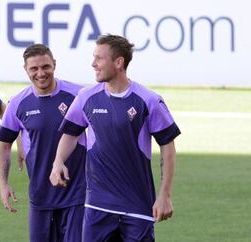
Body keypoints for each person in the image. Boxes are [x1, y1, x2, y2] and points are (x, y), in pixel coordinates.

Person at [50, 34, 181, 242]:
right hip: (97, 205)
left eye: (99, 58)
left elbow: (168, 145)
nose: (93, 64)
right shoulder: (86, 97)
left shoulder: (149, 101)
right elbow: (70, 134)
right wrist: (58, 162)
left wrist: (165, 195)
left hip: (137, 206)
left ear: (119, 62)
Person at [0, 44, 86, 242]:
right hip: (40, 195)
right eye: (34, 69)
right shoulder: (18, 103)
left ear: (54, 64)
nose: (41, 73)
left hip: (77, 195)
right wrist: (3, 184)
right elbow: (4, 145)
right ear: (25, 70)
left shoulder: (79, 95)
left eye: (45, 67)